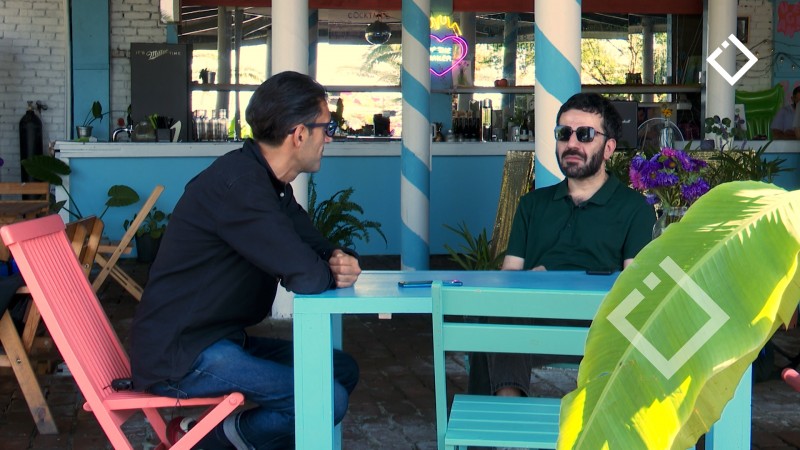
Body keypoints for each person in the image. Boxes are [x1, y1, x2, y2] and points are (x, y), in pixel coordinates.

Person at [129, 71, 362, 449]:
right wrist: (329, 269)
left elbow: (316, 246)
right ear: (299, 134)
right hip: (182, 356)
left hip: (218, 341)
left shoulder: (268, 184)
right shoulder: (241, 188)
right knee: (325, 399)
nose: (330, 138)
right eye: (327, 127)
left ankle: (210, 437)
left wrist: (341, 258)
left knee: (341, 369)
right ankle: (200, 441)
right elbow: (306, 276)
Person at [468, 92, 657, 398]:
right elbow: (510, 276)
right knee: (495, 312)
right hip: (537, 322)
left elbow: (633, 289)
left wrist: (553, 277)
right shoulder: (532, 204)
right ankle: (505, 412)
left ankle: (506, 415)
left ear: (609, 148)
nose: (572, 144)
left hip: (600, 327)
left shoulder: (635, 209)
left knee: (502, 318)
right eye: (563, 133)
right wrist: (530, 284)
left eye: (585, 135)